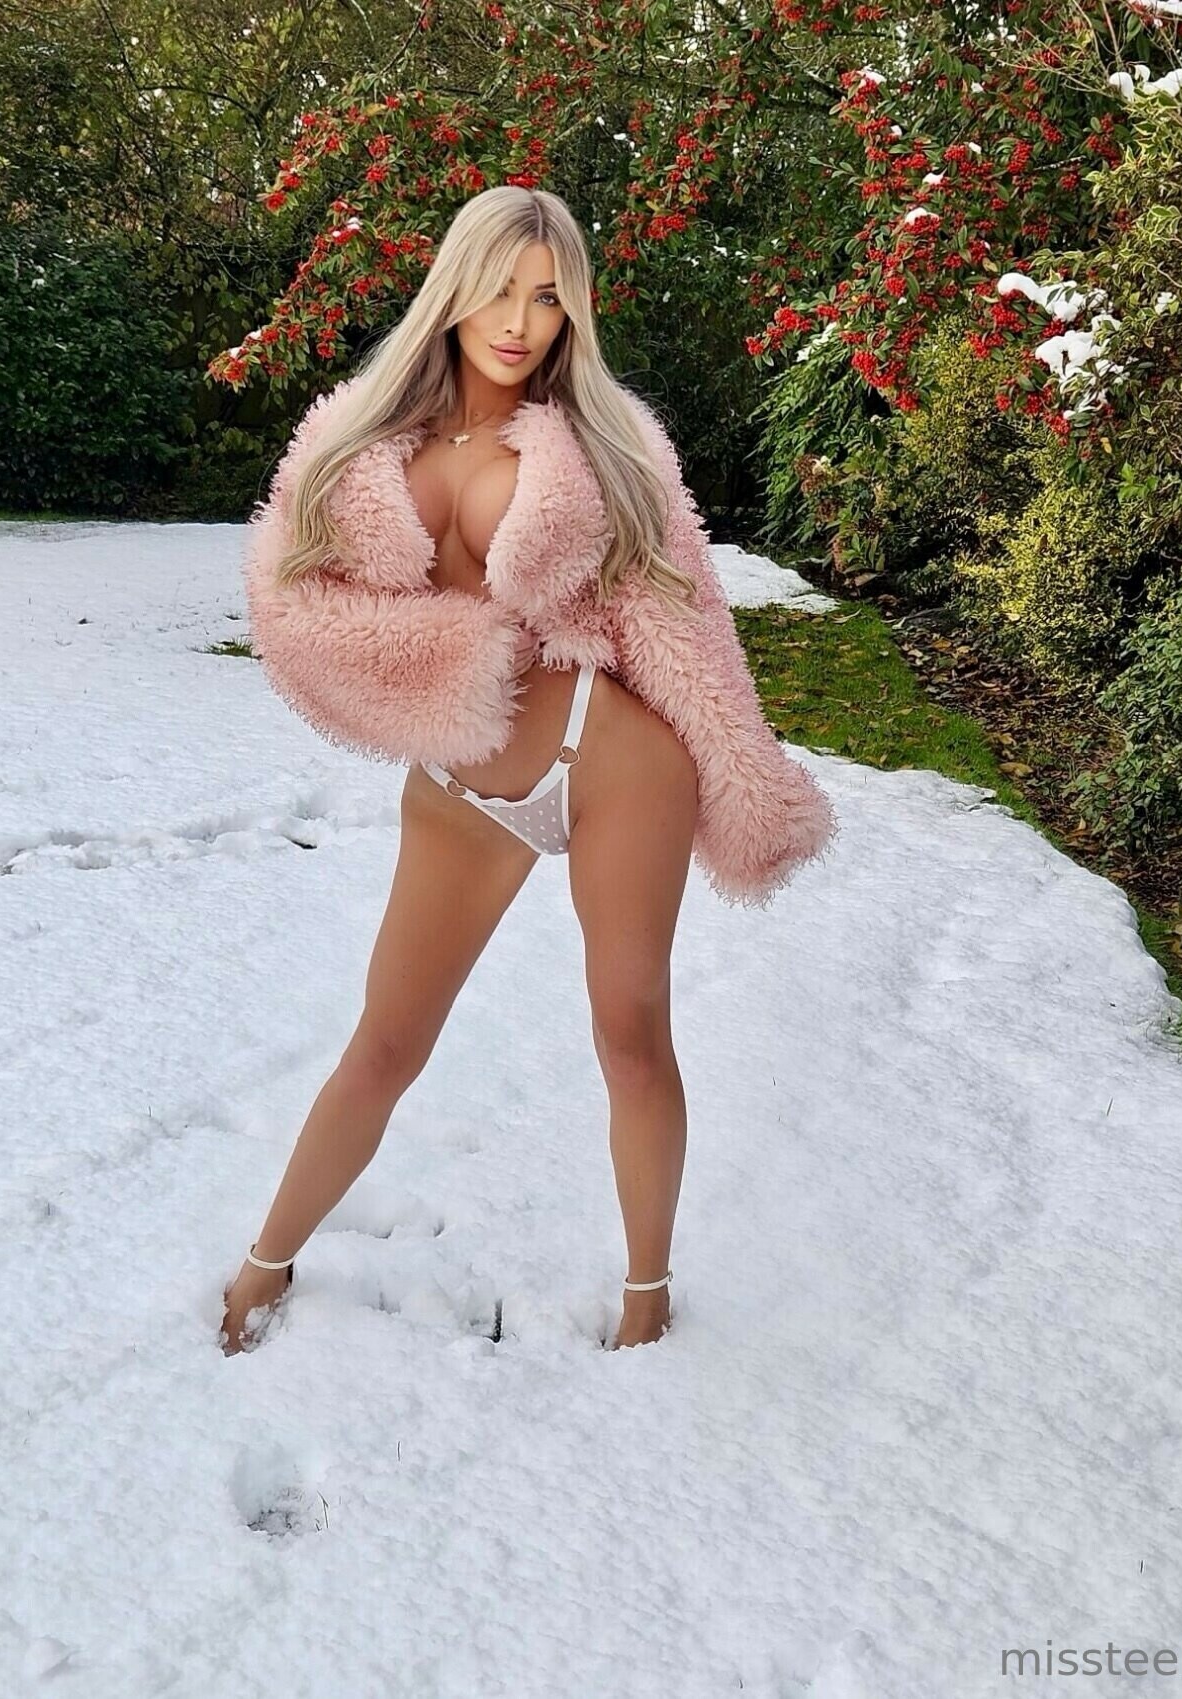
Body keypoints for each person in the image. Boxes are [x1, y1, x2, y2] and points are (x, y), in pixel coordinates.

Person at [220, 185, 837, 1356]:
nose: (519, 322)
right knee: (384, 1043)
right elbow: (292, 606)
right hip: (458, 785)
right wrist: (442, 661)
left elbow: (687, 622)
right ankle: (264, 1264)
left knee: (630, 1033)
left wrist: (741, 769)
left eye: (548, 298)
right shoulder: (359, 436)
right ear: (452, 288)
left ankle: (647, 1297)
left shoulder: (606, 440)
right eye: (499, 290)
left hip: (607, 763)